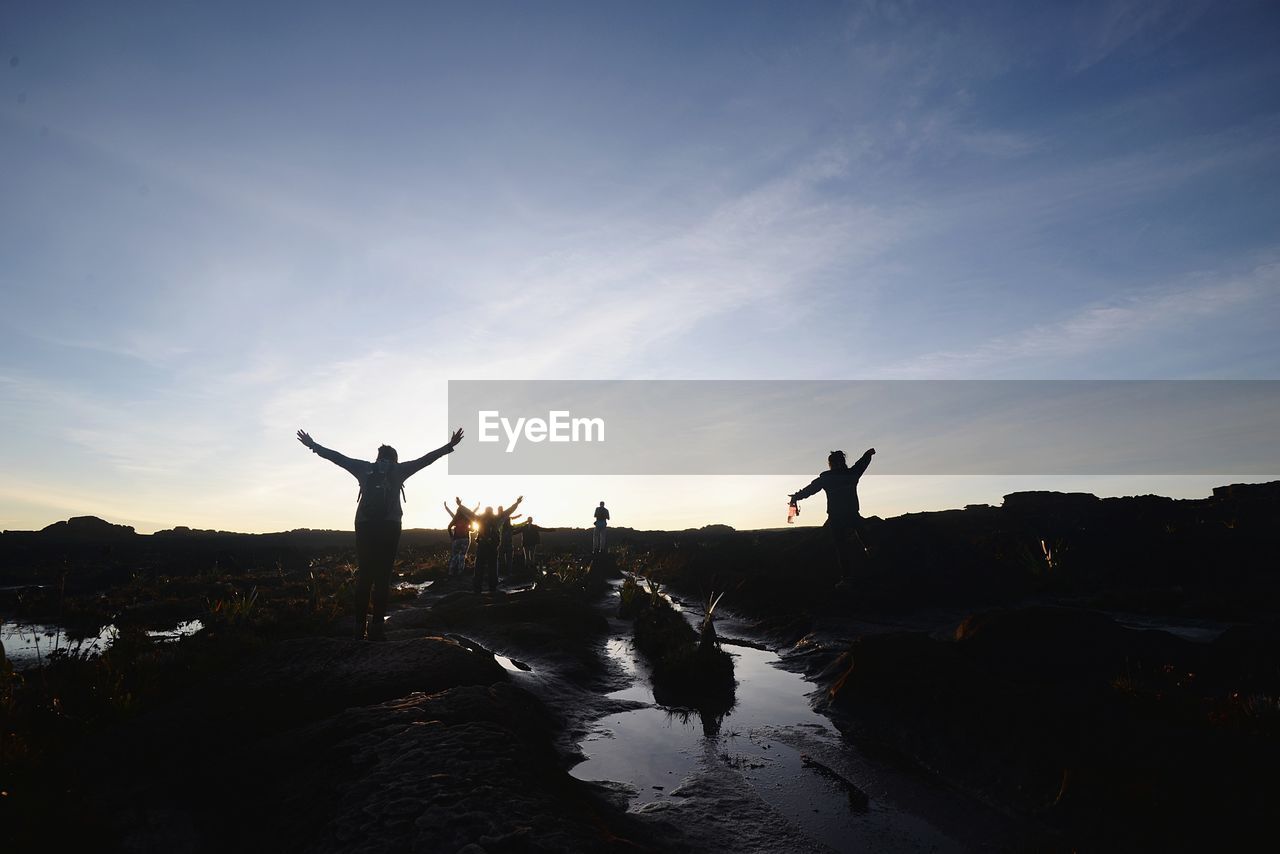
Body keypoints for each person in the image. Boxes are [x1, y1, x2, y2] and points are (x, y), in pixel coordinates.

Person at [297, 427, 464, 640]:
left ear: (378, 457)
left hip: (365, 526)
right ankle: (377, 628)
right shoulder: (400, 469)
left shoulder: (364, 468)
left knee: (365, 576)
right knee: (383, 577)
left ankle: (359, 628)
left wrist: (312, 445)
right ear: (395, 458)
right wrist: (450, 446)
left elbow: (336, 457)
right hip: (390, 526)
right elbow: (426, 460)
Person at [789, 448, 874, 587]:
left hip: (836, 517)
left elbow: (810, 489)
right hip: (852, 512)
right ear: (843, 461)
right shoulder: (851, 474)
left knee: (841, 547)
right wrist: (868, 454)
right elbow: (861, 464)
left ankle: (847, 578)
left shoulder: (826, 479)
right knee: (859, 529)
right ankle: (870, 549)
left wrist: (796, 497)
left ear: (831, 464)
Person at [444, 499, 477, 577]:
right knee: (462, 555)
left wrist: (452, 536)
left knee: (454, 556)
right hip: (465, 539)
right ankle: (460, 572)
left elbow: (449, 527)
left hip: (456, 539)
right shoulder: (468, 519)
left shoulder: (455, 519)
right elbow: (473, 529)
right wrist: (468, 529)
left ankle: (451, 572)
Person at [496, 497, 524, 577]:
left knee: (505, 556)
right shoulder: (502, 517)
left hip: (505, 538)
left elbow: (511, 511)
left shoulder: (503, 516)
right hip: (502, 538)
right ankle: (505, 571)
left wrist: (517, 504)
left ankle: (506, 571)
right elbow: (511, 512)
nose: (500, 511)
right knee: (504, 556)